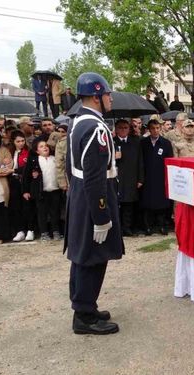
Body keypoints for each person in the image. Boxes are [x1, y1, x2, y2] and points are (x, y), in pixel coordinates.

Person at [65, 72, 123, 335]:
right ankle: (85, 316)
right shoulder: (96, 128)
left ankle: (84, 304)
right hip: (93, 198)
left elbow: (71, 168)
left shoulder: (77, 122)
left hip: (80, 196)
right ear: (96, 96)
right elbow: (95, 176)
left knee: (82, 255)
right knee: (93, 256)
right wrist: (101, 215)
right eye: (107, 94)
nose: (110, 98)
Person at [140, 119, 174, 235]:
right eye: (153, 128)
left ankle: (162, 225)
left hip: (161, 177)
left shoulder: (166, 143)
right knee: (147, 203)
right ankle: (147, 226)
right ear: (149, 130)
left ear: (160, 129)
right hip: (148, 176)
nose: (155, 131)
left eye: (157, 128)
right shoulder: (143, 143)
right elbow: (140, 161)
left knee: (162, 203)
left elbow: (170, 161)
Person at [23, 140, 62, 240]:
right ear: (37, 151)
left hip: (55, 190)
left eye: (46, 146)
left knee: (55, 212)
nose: (45, 148)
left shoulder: (55, 159)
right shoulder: (33, 161)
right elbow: (26, 176)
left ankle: (56, 231)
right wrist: (26, 191)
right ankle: (44, 232)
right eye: (41, 146)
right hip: (41, 191)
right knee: (42, 213)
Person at [113, 120, 144, 236]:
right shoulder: (112, 142)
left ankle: (127, 227)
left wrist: (140, 178)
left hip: (131, 177)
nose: (123, 130)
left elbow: (140, 161)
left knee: (129, 204)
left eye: (126, 127)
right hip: (117, 177)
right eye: (120, 128)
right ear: (116, 129)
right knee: (117, 204)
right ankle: (118, 228)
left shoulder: (135, 142)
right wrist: (113, 157)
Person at [9, 131, 36, 242]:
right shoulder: (10, 152)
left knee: (28, 206)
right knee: (16, 207)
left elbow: (28, 167)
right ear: (13, 142)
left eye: (22, 141)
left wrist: (14, 170)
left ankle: (31, 229)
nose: (20, 143)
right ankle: (20, 230)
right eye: (18, 141)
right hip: (13, 181)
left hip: (26, 181)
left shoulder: (29, 152)